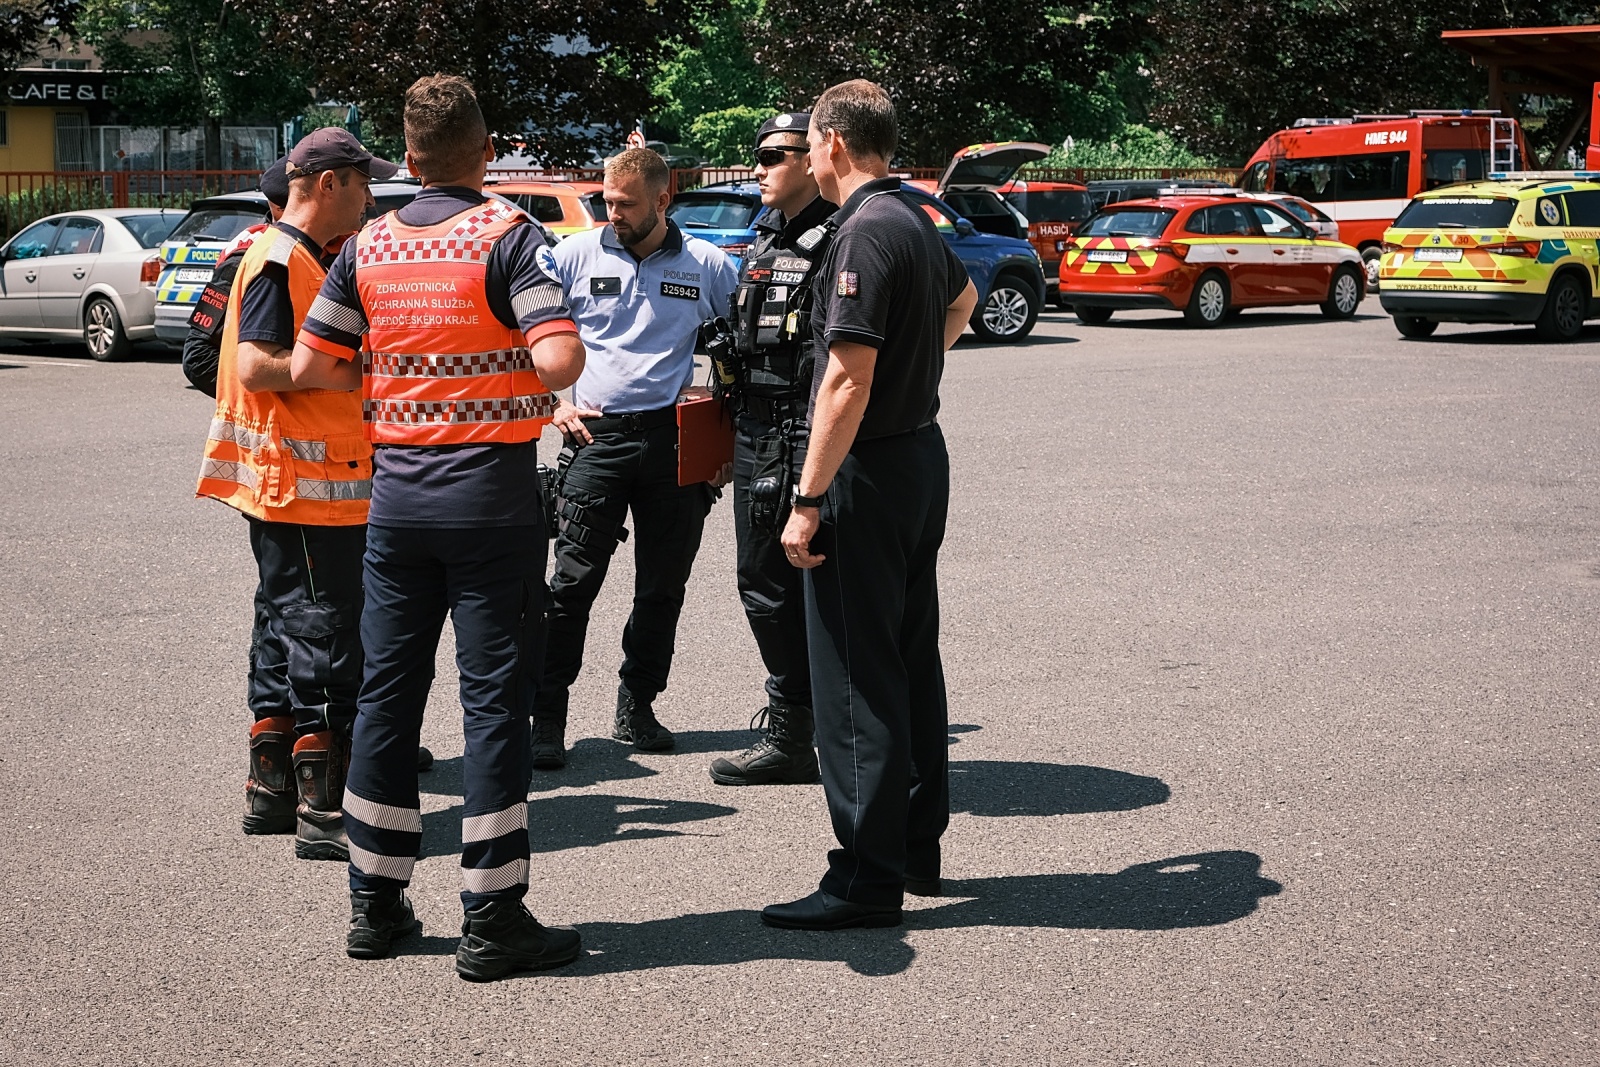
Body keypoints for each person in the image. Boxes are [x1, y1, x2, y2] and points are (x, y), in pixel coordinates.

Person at [291, 74, 588, 979]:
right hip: (491, 501)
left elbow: (311, 362)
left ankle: (374, 906)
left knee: (386, 695)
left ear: (408, 158)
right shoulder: (506, 234)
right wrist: (534, 360)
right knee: (493, 701)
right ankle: (493, 919)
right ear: (486, 151)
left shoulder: (369, 242)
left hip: (398, 504)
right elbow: (559, 354)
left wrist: (390, 381)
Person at [762, 80, 978, 931]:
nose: (806, 156)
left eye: (808, 143)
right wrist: (914, 376)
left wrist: (808, 497)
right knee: (909, 655)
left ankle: (864, 876)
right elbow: (958, 304)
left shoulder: (863, 229)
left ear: (836, 146)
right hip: (917, 457)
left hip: (868, 470)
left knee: (854, 671)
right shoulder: (917, 218)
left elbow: (847, 375)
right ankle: (913, 844)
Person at [195, 129, 397, 863]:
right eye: (364, 183)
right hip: (308, 485)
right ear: (329, 182)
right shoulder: (282, 257)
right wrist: (357, 373)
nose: (372, 198)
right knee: (325, 632)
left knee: (286, 625)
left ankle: (272, 785)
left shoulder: (297, 254)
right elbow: (256, 364)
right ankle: (322, 803)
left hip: (295, 481)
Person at [529, 146, 737, 769]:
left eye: (623, 204)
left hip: (674, 444)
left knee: (662, 586)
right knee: (570, 584)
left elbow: (745, 354)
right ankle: (548, 718)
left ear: (662, 201)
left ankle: (637, 704)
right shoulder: (572, 256)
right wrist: (553, 405)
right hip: (596, 439)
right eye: (606, 201)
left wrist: (720, 439)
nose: (610, 213)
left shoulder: (709, 264)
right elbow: (521, 335)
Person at [704, 112, 836, 787]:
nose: (759, 167)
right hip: (753, 429)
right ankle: (795, 728)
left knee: (801, 585)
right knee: (761, 585)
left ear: (812, 160)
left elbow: (832, 366)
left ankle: (810, 732)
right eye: (756, 155)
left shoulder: (835, 239)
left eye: (775, 155)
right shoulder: (763, 236)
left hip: (798, 435)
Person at [182, 158, 289, 397]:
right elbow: (198, 357)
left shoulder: (337, 248)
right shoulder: (246, 256)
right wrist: (269, 401)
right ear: (280, 207)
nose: (368, 200)